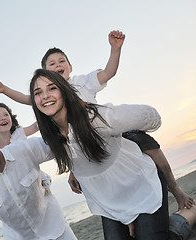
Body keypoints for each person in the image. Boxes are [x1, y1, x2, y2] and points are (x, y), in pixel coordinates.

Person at [0, 31, 193, 212]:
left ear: (70, 67)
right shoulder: (47, 98)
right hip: (80, 149)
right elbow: (31, 101)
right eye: (51, 64)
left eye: (62, 61)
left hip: (107, 132)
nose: (57, 65)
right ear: (45, 75)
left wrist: (115, 49)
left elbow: (109, 72)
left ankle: (176, 190)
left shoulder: (83, 81)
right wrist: (5, 90)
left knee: (149, 146)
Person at [29, 68, 175, 239]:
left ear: (64, 91)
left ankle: (185, 217)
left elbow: (150, 116)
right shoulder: (51, 138)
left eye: (52, 88)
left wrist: (132, 136)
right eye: (38, 92)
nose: (45, 96)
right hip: (110, 204)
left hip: (141, 187)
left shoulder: (95, 119)